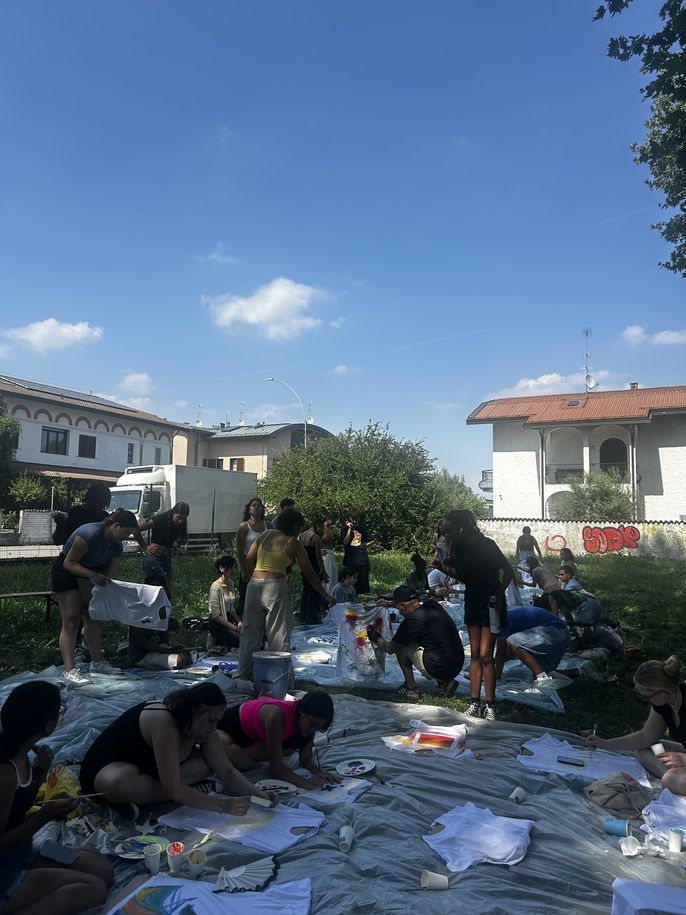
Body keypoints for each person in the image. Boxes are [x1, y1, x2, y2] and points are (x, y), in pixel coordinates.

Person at [0, 681, 112, 915]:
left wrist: (41, 771)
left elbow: (17, 808)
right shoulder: (5, 773)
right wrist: (45, 815)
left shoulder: (24, 753)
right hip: (5, 868)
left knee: (101, 866)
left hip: (22, 853)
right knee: (93, 888)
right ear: (49, 724)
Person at [79, 683, 275, 814]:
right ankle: (134, 801)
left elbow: (226, 770)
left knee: (211, 758)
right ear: (194, 713)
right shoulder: (165, 723)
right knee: (121, 784)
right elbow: (173, 789)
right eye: (211, 720)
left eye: (217, 721)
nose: (214, 727)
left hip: (154, 773)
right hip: (110, 769)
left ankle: (148, 799)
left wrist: (258, 794)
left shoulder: (203, 728)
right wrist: (222, 805)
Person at [236, 508, 336, 683]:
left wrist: (252, 576)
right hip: (276, 587)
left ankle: (243, 675)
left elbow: (248, 558)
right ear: (295, 525)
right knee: (278, 635)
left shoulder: (264, 535)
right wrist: (325, 594)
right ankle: (281, 679)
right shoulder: (293, 543)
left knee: (250, 634)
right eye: (300, 527)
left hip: (254, 585)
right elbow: (310, 574)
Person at [432, 510, 512, 721]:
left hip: (491, 602)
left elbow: (508, 571)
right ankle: (474, 702)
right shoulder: (457, 548)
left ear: (460, 527)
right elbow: (463, 576)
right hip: (473, 600)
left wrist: (497, 594)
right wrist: (441, 567)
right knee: (475, 654)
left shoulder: (487, 545)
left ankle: (490, 705)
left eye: (448, 531)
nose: (446, 535)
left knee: (487, 655)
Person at [52, 509, 140, 687]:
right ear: (115, 526)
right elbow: (69, 563)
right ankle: (69, 670)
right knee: (71, 619)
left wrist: (116, 595)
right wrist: (93, 575)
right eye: (125, 532)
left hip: (91, 575)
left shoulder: (117, 545)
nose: (126, 537)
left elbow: (111, 574)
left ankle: (97, 662)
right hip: (67, 571)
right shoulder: (89, 533)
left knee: (94, 617)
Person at [583, 655, 686, 795]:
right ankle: (671, 773)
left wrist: (682, 759)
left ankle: (671, 775)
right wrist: (605, 743)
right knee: (644, 748)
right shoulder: (665, 703)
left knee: (670, 779)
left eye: (647, 697)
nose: (647, 701)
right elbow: (645, 737)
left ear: (662, 691)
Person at [218, 691, 340, 789]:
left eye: (319, 728)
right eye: (312, 724)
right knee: (226, 753)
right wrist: (305, 783)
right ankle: (247, 761)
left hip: (255, 737)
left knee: (286, 750)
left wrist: (321, 772)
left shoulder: (309, 725)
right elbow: (275, 768)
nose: (313, 730)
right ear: (303, 712)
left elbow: (306, 759)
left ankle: (245, 758)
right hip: (232, 727)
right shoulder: (277, 715)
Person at [368, 586, 465, 700]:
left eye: (399, 609)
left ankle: (411, 689)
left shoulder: (412, 621)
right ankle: (446, 682)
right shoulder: (432, 605)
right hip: (457, 664)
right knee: (427, 641)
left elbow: (390, 649)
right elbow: (405, 603)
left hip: (439, 667)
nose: (400, 613)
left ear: (403, 605)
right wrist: (390, 604)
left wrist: (376, 636)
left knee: (400, 646)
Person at [494, 605, 571, 690]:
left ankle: (542, 679)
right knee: (548, 671)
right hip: (558, 634)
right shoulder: (506, 616)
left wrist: (495, 674)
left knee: (512, 640)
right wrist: (492, 662)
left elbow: (501, 652)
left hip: (555, 632)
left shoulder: (500, 622)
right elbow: (511, 652)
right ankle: (580, 671)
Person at [128, 576, 192, 670]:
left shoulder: (162, 607)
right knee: (179, 660)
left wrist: (179, 646)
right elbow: (142, 641)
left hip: (158, 649)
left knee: (191, 654)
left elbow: (164, 635)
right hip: (142, 655)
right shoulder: (138, 610)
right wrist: (167, 651)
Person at [136, 502, 189, 597]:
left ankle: (163, 610)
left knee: (166, 589)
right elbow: (136, 529)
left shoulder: (180, 524)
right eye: (178, 517)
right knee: (156, 589)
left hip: (167, 556)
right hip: (154, 556)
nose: (180, 521)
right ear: (173, 512)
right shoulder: (160, 519)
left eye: (183, 519)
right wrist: (145, 547)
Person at [235, 498, 270, 612]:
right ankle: (244, 622)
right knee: (247, 594)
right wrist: (244, 571)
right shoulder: (244, 527)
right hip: (249, 562)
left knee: (264, 593)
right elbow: (240, 550)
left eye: (259, 505)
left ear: (262, 509)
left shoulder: (268, 525)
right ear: (249, 509)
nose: (256, 507)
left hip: (265, 562)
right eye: (254, 505)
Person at [207, 556, 241, 650]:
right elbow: (216, 616)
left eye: (234, 568)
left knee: (253, 638)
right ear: (222, 569)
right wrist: (235, 628)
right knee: (243, 641)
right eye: (231, 569)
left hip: (229, 620)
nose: (233, 571)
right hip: (218, 624)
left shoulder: (231, 583)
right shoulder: (215, 587)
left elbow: (232, 610)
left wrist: (239, 623)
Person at [298, 518, 328, 624]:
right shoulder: (316, 538)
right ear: (317, 527)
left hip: (305, 567)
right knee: (314, 593)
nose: (323, 532)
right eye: (322, 529)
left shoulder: (302, 535)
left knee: (306, 591)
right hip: (315, 567)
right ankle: (312, 618)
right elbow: (319, 558)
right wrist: (324, 573)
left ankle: (303, 616)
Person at [340, 511, 375, 595]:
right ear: (350, 519)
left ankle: (355, 599)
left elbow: (365, 542)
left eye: (357, 519)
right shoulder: (345, 528)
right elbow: (345, 542)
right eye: (353, 519)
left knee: (359, 584)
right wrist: (350, 529)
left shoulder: (362, 529)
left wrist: (373, 541)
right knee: (348, 582)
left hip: (361, 559)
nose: (355, 521)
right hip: (350, 559)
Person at [320, 514, 338, 596]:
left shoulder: (329, 528)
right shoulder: (321, 528)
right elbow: (324, 538)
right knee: (327, 574)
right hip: (324, 553)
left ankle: (331, 593)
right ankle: (326, 594)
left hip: (330, 553)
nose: (333, 523)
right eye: (332, 521)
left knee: (332, 575)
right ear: (327, 519)